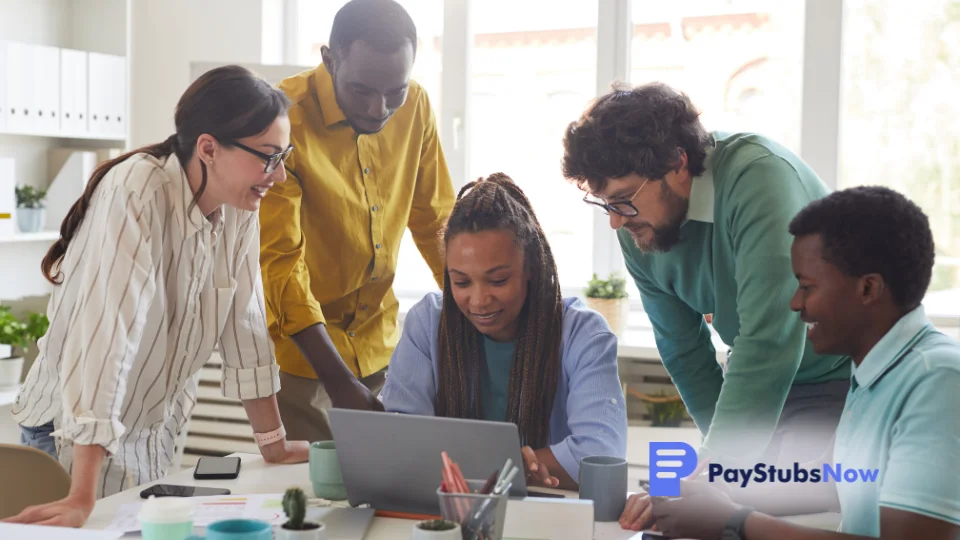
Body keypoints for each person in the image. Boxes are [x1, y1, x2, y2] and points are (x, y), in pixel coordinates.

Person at [5, 65, 309, 528]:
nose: (280, 174)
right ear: (208, 148)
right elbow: (106, 337)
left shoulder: (238, 204)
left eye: (283, 156)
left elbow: (244, 324)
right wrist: (81, 495)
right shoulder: (138, 190)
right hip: (72, 438)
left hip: (149, 436)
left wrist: (274, 443)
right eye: (269, 157)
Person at [638, 186, 960, 539]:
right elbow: (829, 479)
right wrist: (710, 495)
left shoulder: (938, 380)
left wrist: (733, 521)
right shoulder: (877, 371)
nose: (794, 303)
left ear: (868, 289)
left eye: (807, 286)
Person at [561, 82, 851, 468]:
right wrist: (717, 465)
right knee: (720, 503)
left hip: (845, 377)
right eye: (606, 204)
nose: (615, 221)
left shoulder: (759, 180)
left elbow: (769, 340)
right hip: (763, 381)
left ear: (678, 164)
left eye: (624, 200)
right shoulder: (639, 230)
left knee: (780, 500)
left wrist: (717, 468)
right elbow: (683, 352)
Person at [259, 0, 455, 442]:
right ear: (329, 59)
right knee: (310, 501)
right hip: (305, 360)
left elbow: (436, 222)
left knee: (389, 494)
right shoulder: (282, 119)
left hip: (383, 348)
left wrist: (475, 310)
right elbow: (281, 263)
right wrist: (337, 380)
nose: (378, 108)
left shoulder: (417, 106)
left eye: (394, 91)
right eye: (361, 89)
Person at [379, 174, 627, 489]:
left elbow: (602, 456)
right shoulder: (428, 323)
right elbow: (398, 440)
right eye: (462, 282)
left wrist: (485, 468)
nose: (479, 300)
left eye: (497, 281)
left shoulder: (583, 334)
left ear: (531, 269)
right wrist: (518, 466)